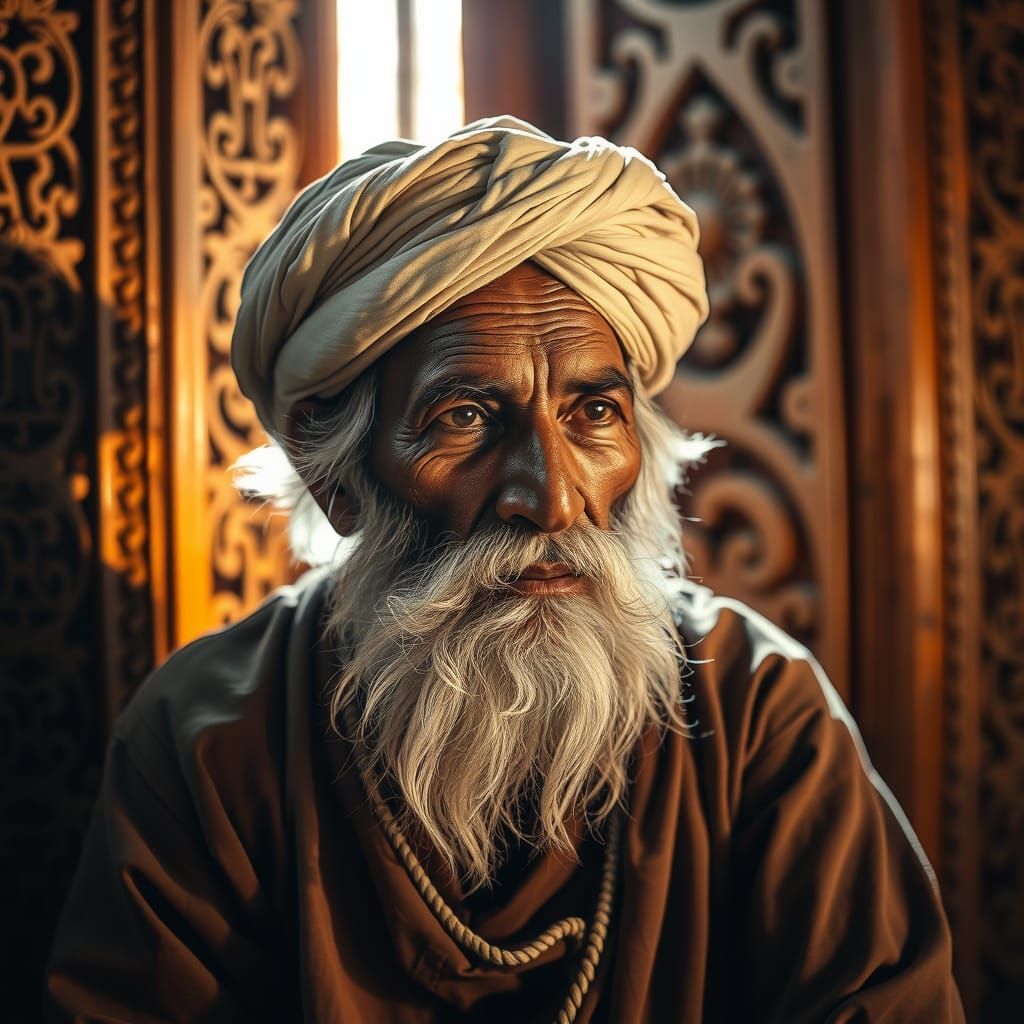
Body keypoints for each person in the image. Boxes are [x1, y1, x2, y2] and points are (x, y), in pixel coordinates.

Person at [45, 117, 964, 1023]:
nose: (553, 498)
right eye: (465, 418)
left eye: (593, 412)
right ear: (341, 484)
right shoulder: (210, 742)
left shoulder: (758, 713)